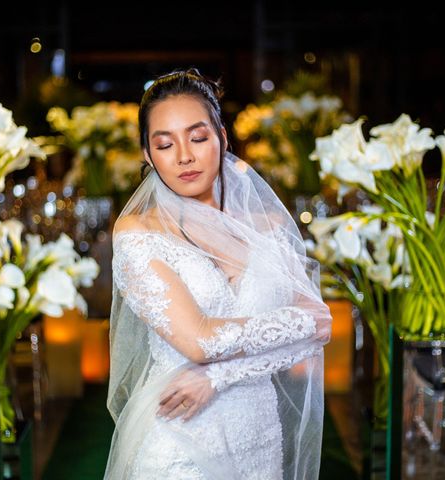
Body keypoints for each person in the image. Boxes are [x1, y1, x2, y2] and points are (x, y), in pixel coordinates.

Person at [105, 68, 332, 479]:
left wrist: (218, 377)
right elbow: (198, 341)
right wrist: (289, 326)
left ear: (222, 138)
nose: (184, 156)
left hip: (261, 437)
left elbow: (318, 325)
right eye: (164, 144)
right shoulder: (138, 233)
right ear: (147, 154)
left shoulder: (270, 227)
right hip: (180, 441)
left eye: (198, 137)